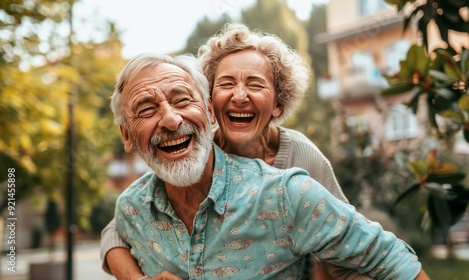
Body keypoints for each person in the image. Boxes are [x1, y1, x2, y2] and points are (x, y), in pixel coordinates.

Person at [107, 51, 429, 279]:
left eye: (181, 100)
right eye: (146, 109)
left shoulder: (288, 190)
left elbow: (386, 258)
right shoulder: (132, 209)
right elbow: (114, 236)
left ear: (207, 112)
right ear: (126, 135)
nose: (171, 119)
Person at [102, 23, 352, 279]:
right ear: (209, 102)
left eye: (255, 84)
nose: (239, 96)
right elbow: (118, 230)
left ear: (277, 103)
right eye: (226, 83)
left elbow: (346, 244)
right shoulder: (193, 150)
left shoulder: (302, 157)